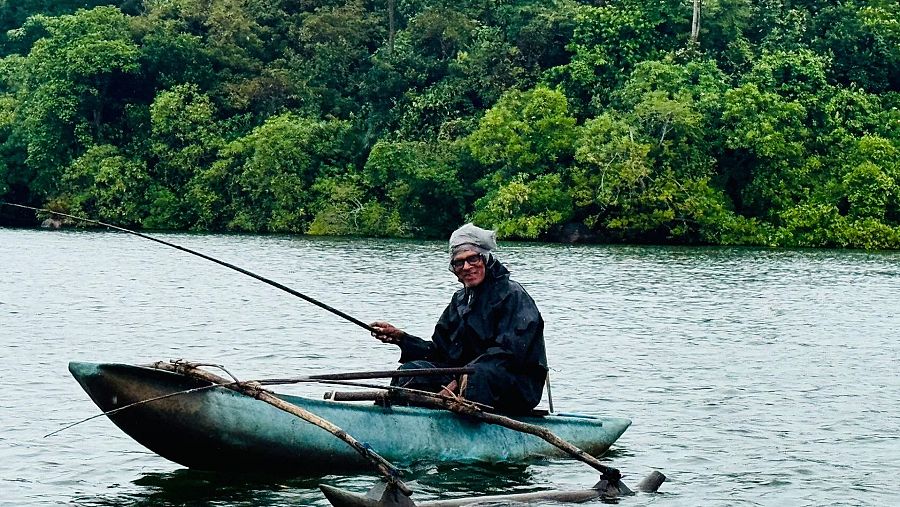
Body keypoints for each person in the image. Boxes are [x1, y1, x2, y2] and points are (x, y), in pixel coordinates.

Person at [370, 223, 548, 415]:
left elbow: (510, 354)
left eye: (473, 259)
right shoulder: (460, 300)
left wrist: (459, 379)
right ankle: (406, 421)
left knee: (478, 374)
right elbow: (440, 353)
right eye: (459, 262)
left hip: (515, 386)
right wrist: (402, 339)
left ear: (485, 259)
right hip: (466, 378)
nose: (467, 267)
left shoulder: (512, 295)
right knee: (411, 372)